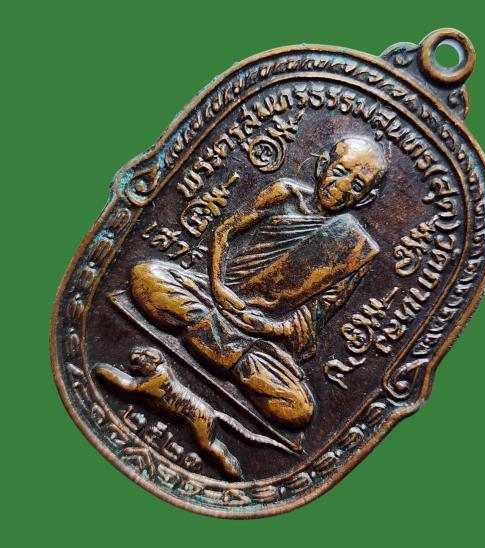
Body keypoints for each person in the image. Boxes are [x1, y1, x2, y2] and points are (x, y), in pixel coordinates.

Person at [130, 136, 388, 429]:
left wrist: (267, 327)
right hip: (213, 297)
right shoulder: (284, 194)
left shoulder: (358, 249)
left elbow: (316, 315)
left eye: (356, 186)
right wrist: (218, 286)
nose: (341, 188)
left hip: (258, 338)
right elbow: (224, 232)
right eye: (339, 172)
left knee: (299, 410)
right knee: (145, 277)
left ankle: (208, 339)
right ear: (322, 166)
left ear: (365, 198)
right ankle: (224, 352)